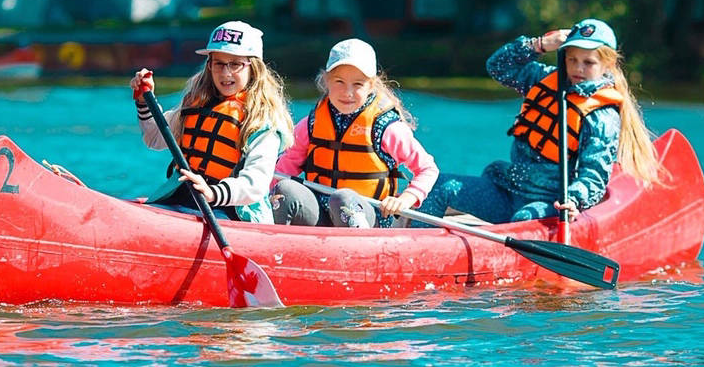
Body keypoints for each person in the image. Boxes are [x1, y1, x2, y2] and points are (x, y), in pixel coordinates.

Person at [418, 18, 662, 224]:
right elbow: (497, 67)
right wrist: (540, 44)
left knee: (522, 220)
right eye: (572, 59)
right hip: (508, 190)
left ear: (607, 63)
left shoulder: (602, 117)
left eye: (588, 62)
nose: (578, 68)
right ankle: (417, 251)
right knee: (440, 186)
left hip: (549, 204)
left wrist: (574, 199)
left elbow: (594, 176)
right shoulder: (543, 79)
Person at [129, 20, 293, 223]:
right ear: (209, 65)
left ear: (254, 68)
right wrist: (145, 102)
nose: (226, 73)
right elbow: (154, 138)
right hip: (184, 197)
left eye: (235, 64)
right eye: (219, 63)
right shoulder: (196, 104)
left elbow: (255, 185)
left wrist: (213, 193)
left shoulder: (263, 122)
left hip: (234, 211)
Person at [273, 38, 439, 229]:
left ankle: (356, 251)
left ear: (371, 85)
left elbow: (427, 168)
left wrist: (408, 198)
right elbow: (285, 167)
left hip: (370, 216)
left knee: (343, 197)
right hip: (321, 214)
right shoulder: (311, 123)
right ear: (326, 80)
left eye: (358, 84)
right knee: (284, 189)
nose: (347, 92)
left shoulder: (386, 127)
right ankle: (278, 247)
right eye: (339, 81)